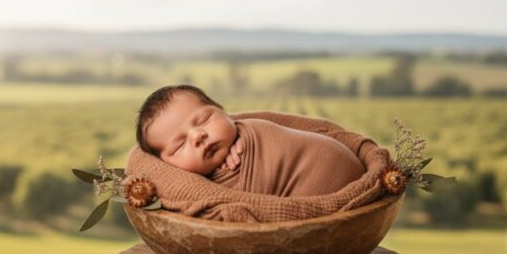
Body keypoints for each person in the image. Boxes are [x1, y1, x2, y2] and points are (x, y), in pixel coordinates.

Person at [135, 84, 366, 197]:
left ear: (226, 113)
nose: (197, 136)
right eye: (180, 145)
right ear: (166, 165)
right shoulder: (193, 182)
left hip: (326, 170)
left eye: (204, 119)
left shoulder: (249, 134)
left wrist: (245, 144)